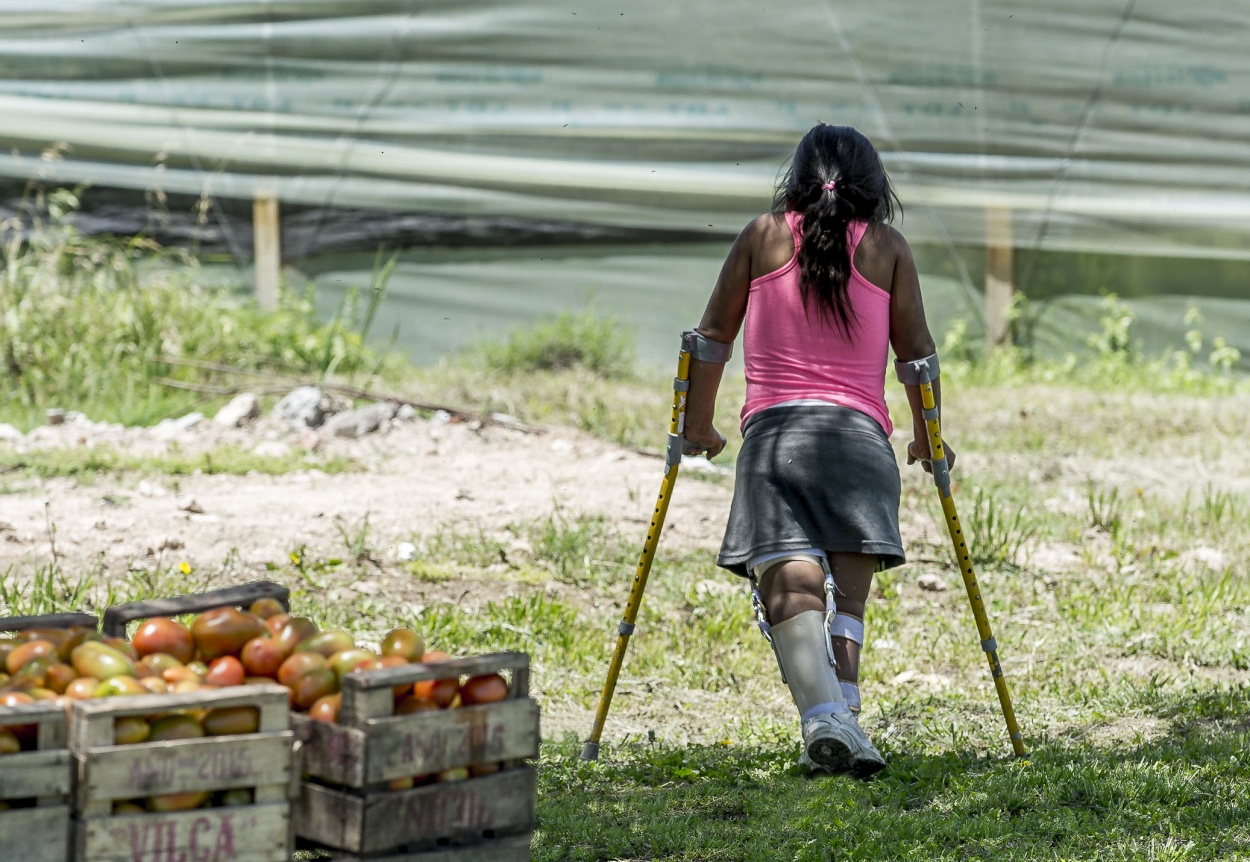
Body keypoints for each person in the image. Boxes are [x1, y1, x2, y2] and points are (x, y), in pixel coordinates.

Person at [679, 123, 955, 778]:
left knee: (792, 588)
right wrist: (927, 436)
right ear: (873, 183)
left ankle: (825, 721)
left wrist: (698, 425)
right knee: (848, 600)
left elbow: (710, 337)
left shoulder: (762, 235)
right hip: (860, 445)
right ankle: (845, 722)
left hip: (777, 443)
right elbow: (917, 356)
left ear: (797, 177)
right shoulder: (889, 247)